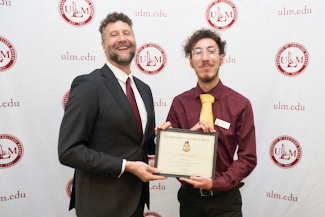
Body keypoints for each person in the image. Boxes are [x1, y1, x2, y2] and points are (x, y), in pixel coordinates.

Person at [58, 12, 166, 217]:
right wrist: (127, 166)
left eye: (127, 33)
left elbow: (139, 143)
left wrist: (165, 139)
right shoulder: (89, 85)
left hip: (135, 201)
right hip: (100, 204)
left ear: (134, 40)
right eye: (114, 35)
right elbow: (69, 151)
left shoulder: (144, 89)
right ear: (103, 45)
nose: (122, 39)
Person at [158, 29, 257, 217]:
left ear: (221, 58)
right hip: (190, 202)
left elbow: (248, 158)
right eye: (198, 52)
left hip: (226, 203)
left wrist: (217, 183)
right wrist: (185, 137)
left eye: (211, 51)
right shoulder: (179, 103)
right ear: (190, 62)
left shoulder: (240, 104)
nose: (205, 58)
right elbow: (171, 158)